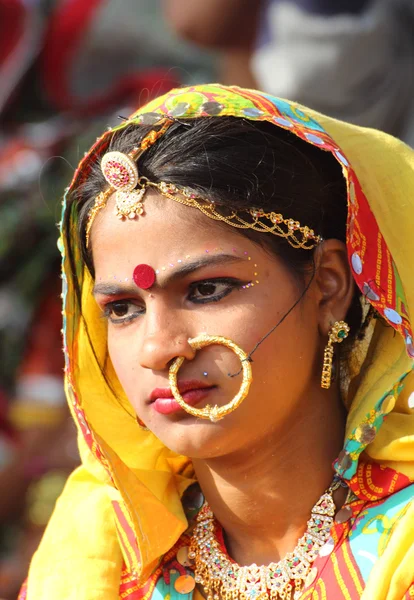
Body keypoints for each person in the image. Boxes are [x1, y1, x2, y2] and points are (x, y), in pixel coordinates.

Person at [20, 84, 414, 599]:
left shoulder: (398, 548)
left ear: (328, 285)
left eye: (207, 290)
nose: (157, 349)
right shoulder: (98, 560)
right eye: (123, 309)